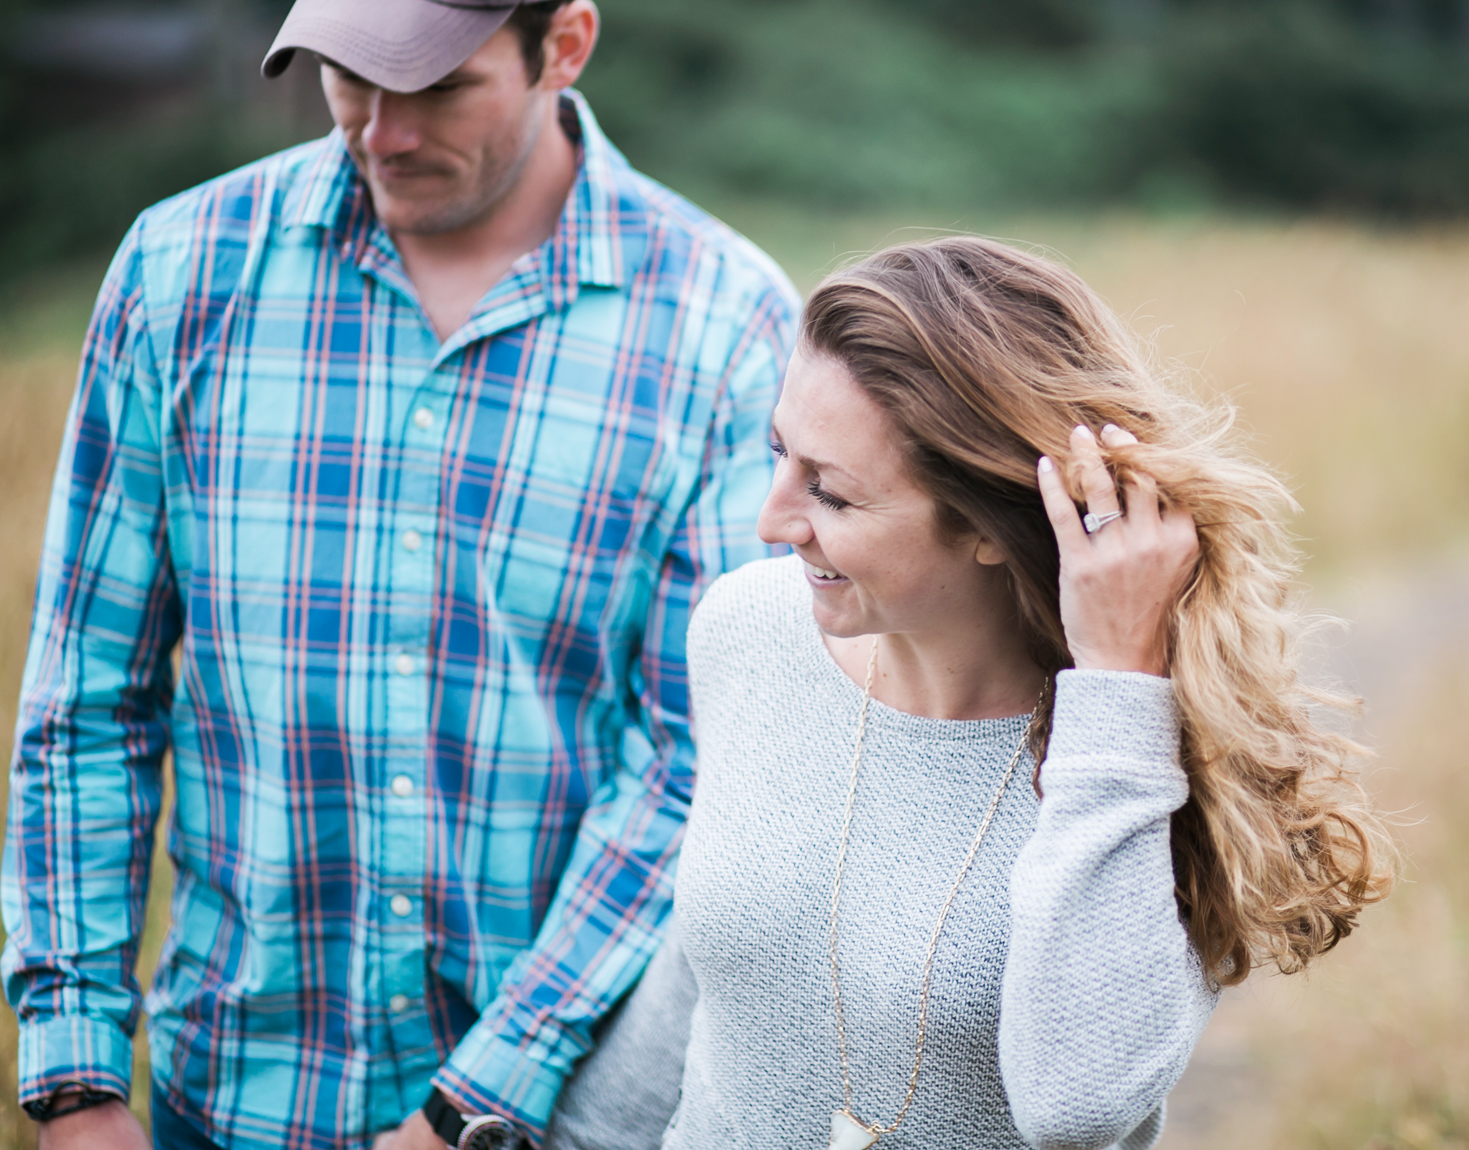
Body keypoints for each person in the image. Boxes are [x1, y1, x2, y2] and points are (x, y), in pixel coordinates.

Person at [0, 1, 798, 1148]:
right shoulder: (177, 277)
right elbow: (85, 702)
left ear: (563, 45)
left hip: (551, 1114)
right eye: (346, 79)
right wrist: (76, 1081)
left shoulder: (727, 328)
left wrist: (476, 1096)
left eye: (436, 89)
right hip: (224, 1097)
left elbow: (698, 762)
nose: (379, 132)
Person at [542, 236, 1393, 1150]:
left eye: (829, 493)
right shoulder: (745, 628)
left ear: (991, 524)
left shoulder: (1147, 741)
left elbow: (1080, 1105)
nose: (772, 519)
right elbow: (709, 972)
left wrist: (1114, 685)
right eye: (778, 452)